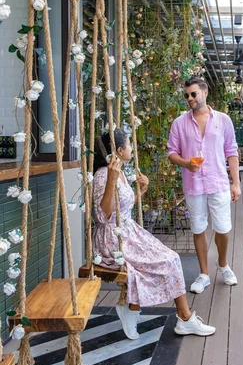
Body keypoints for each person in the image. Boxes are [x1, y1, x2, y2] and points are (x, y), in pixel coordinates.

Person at [92, 128, 216, 339]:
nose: (132, 148)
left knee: (171, 258)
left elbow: (123, 207)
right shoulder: (104, 175)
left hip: (128, 230)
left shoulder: (120, 171)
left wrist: (140, 192)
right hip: (113, 239)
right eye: (130, 144)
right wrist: (112, 180)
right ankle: (178, 317)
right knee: (166, 261)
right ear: (120, 150)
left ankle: (146, 310)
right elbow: (102, 216)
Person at [167, 76, 241, 294]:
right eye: (186, 95)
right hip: (193, 184)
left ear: (205, 92)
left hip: (218, 182)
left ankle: (223, 264)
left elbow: (232, 152)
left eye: (193, 94)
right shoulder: (179, 123)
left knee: (223, 228)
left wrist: (235, 183)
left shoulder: (223, 120)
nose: (189, 98)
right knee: (198, 229)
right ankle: (204, 274)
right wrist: (185, 163)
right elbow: (171, 152)